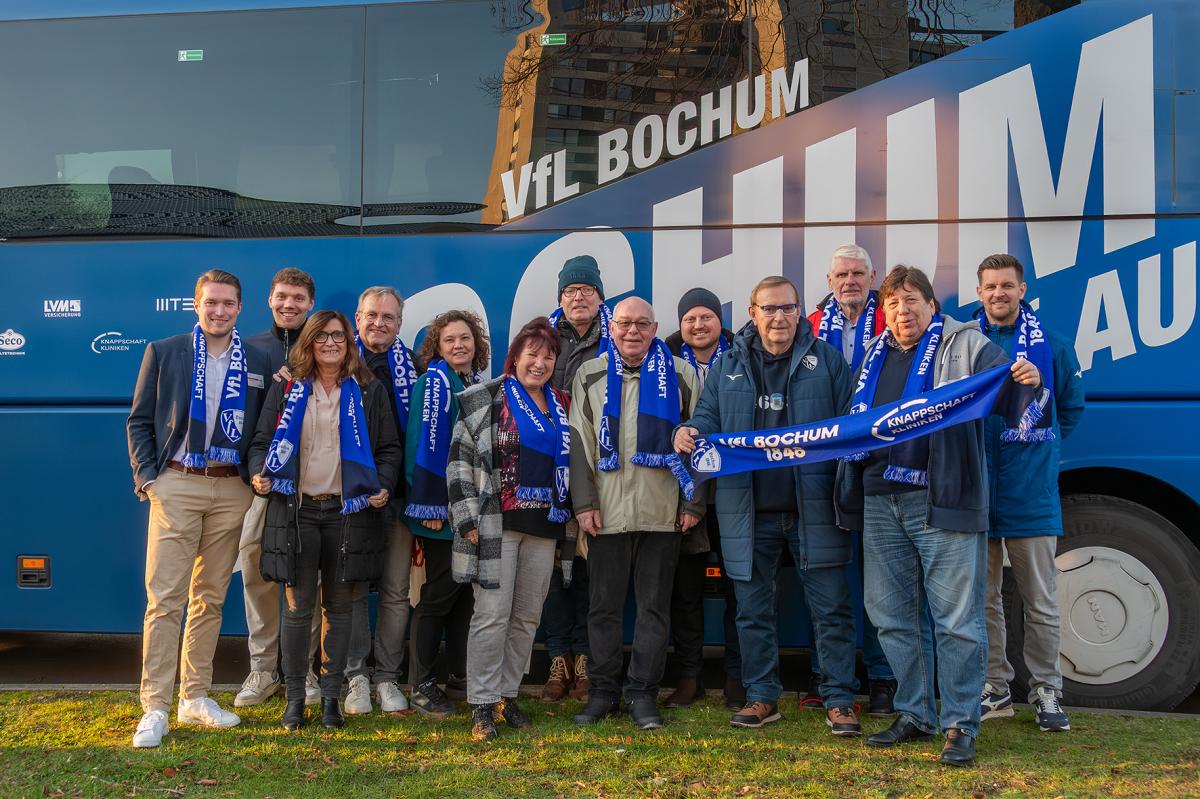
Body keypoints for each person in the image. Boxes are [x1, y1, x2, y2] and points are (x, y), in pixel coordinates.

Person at [834, 265, 1042, 767]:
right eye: (893, 304)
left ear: (931, 306)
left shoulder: (965, 346)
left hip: (943, 499)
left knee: (956, 621)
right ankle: (914, 713)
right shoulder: (871, 357)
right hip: (880, 499)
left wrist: (1028, 381)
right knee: (889, 615)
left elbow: (1012, 392)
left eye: (911, 302)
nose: (902, 312)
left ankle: (960, 724)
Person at [674, 276, 862, 738]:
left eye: (788, 308)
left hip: (814, 509)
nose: (779, 318)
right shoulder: (729, 364)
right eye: (769, 309)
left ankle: (839, 699)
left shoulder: (828, 361)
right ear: (753, 314)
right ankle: (762, 697)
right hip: (747, 512)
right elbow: (707, 418)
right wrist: (689, 431)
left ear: (799, 312)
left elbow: (853, 424)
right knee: (752, 612)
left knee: (831, 609)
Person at [126, 269, 271, 748]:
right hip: (178, 483)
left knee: (210, 597)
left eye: (228, 303)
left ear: (240, 308)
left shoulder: (258, 359)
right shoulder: (165, 352)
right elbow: (139, 420)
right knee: (165, 599)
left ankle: (195, 696)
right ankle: (155, 706)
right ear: (196, 305)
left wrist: (252, 479)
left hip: (231, 489)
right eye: (211, 302)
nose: (219, 311)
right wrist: (150, 478)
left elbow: (261, 427)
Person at [248, 310, 401, 731]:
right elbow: (262, 442)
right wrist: (261, 472)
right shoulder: (288, 387)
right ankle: (296, 698)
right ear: (309, 342)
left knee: (339, 608)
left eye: (338, 336)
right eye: (322, 337)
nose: (331, 343)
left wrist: (384, 483)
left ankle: (331, 699)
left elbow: (389, 448)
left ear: (349, 342)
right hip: (296, 511)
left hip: (347, 513)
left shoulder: (369, 389)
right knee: (297, 609)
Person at [570, 297, 705, 731]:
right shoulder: (588, 374)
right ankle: (604, 692)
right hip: (605, 514)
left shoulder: (682, 376)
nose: (633, 331)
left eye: (642, 324)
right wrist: (585, 504)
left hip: (662, 513)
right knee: (603, 609)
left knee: (653, 610)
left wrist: (693, 504)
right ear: (612, 328)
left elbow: (700, 445)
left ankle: (643, 693)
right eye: (625, 323)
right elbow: (579, 445)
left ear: (655, 327)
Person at [447, 318, 574, 741]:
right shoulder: (485, 399)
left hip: (545, 525)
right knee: (492, 616)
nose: (539, 363)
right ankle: (481, 705)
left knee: (526, 618)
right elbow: (460, 463)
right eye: (532, 354)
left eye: (548, 356)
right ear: (515, 356)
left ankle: (507, 694)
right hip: (495, 523)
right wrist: (466, 521)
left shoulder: (561, 403)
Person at [974, 254, 1083, 733]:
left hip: (1029, 493)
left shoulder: (1053, 347)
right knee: (983, 600)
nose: (998, 293)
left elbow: (1070, 412)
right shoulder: (964, 346)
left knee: (1040, 601)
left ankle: (1045, 690)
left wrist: (1039, 449)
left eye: (1007, 286)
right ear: (979, 293)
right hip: (975, 492)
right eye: (990, 286)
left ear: (1022, 291)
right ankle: (995, 687)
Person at [806, 245, 897, 716]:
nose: (850, 281)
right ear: (828, 278)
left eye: (858, 273)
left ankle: (883, 680)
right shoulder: (809, 324)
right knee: (828, 579)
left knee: (880, 581)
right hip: (825, 464)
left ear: (872, 275)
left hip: (880, 461)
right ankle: (829, 678)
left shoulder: (893, 317)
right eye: (841, 273)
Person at [237, 267, 322, 709]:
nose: (289, 305)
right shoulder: (249, 350)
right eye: (282, 297)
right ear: (269, 299)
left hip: (307, 489)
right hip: (258, 489)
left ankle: (303, 669)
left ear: (311, 303)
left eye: (299, 299)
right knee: (257, 578)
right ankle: (262, 669)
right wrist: (254, 472)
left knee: (303, 582)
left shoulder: (321, 349)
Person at [405, 310, 490, 719]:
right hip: (440, 512)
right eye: (450, 340)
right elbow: (422, 448)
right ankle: (422, 685)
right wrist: (432, 507)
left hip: (472, 510)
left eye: (466, 339)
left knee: (461, 598)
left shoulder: (475, 384)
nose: (459, 345)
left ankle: (458, 675)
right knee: (437, 596)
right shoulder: (433, 384)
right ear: (437, 347)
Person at [342, 286, 419, 715]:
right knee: (351, 589)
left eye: (388, 317)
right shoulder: (337, 364)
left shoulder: (414, 367)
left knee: (394, 590)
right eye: (372, 315)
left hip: (398, 498)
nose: (379, 323)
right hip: (348, 497)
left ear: (399, 324)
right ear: (358, 317)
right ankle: (356, 677)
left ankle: (387, 677)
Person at [662, 287, 741, 709]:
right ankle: (688, 677)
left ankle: (736, 677)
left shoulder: (743, 358)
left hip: (734, 493)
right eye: (689, 318)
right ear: (680, 324)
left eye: (705, 317)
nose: (697, 325)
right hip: (687, 494)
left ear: (718, 320)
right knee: (685, 592)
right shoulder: (666, 365)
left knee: (739, 590)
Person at [540, 255, 611, 703]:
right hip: (547, 473)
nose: (578, 296)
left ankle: (585, 660)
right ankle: (557, 659)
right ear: (560, 299)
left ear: (600, 296)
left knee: (589, 571)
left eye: (586, 289)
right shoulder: (543, 339)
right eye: (570, 291)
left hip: (597, 473)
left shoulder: (617, 337)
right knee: (549, 574)